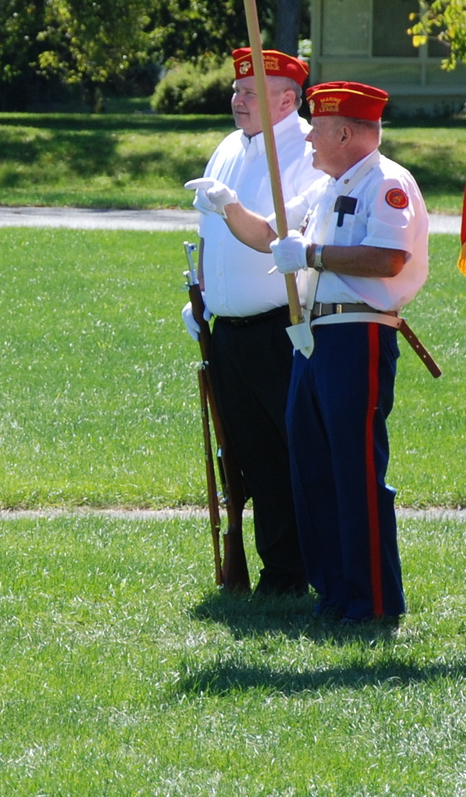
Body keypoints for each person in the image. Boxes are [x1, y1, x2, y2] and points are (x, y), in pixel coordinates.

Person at [259, 82, 429, 623]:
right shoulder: (330, 187)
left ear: (346, 133)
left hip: (358, 334)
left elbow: (388, 259)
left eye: (317, 126)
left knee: (355, 470)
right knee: (313, 469)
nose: (308, 136)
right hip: (316, 335)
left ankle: (373, 600)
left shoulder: (385, 182)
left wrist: (313, 253)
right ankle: (335, 594)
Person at [180, 48, 324, 594]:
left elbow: (276, 232)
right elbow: (210, 235)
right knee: (250, 455)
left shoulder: (306, 150)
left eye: (251, 93)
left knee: (294, 450)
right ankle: (278, 570)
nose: (237, 100)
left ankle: (303, 568)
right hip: (230, 330)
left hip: (280, 325)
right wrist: (206, 301)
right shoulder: (227, 147)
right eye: (237, 91)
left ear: (287, 99)